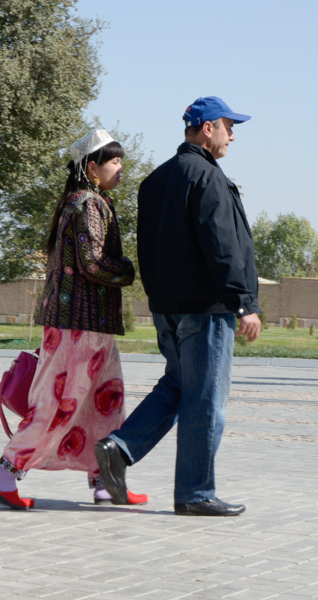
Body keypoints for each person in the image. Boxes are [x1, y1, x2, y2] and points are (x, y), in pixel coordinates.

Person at [95, 97, 261, 517]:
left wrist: (159, 301)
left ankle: (120, 447)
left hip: (167, 308)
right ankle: (195, 493)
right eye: (228, 126)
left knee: (179, 386)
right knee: (205, 399)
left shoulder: (156, 180)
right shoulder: (207, 177)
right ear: (208, 128)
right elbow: (222, 245)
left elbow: (147, 249)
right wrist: (243, 303)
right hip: (207, 310)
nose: (233, 134)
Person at [0, 129, 147, 509]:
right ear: (92, 167)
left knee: (106, 403)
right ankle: (6, 471)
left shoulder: (87, 201)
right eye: (114, 161)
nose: (122, 168)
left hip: (91, 325)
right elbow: (94, 264)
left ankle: (105, 481)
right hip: (79, 326)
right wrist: (130, 270)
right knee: (60, 405)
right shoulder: (87, 203)